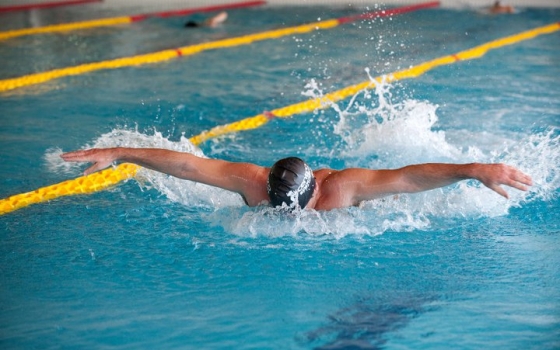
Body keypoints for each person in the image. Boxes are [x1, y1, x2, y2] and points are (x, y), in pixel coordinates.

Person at [60, 147, 532, 211]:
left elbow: (408, 179)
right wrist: (121, 153)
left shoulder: (342, 189)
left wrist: (473, 170)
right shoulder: (251, 182)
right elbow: (187, 166)